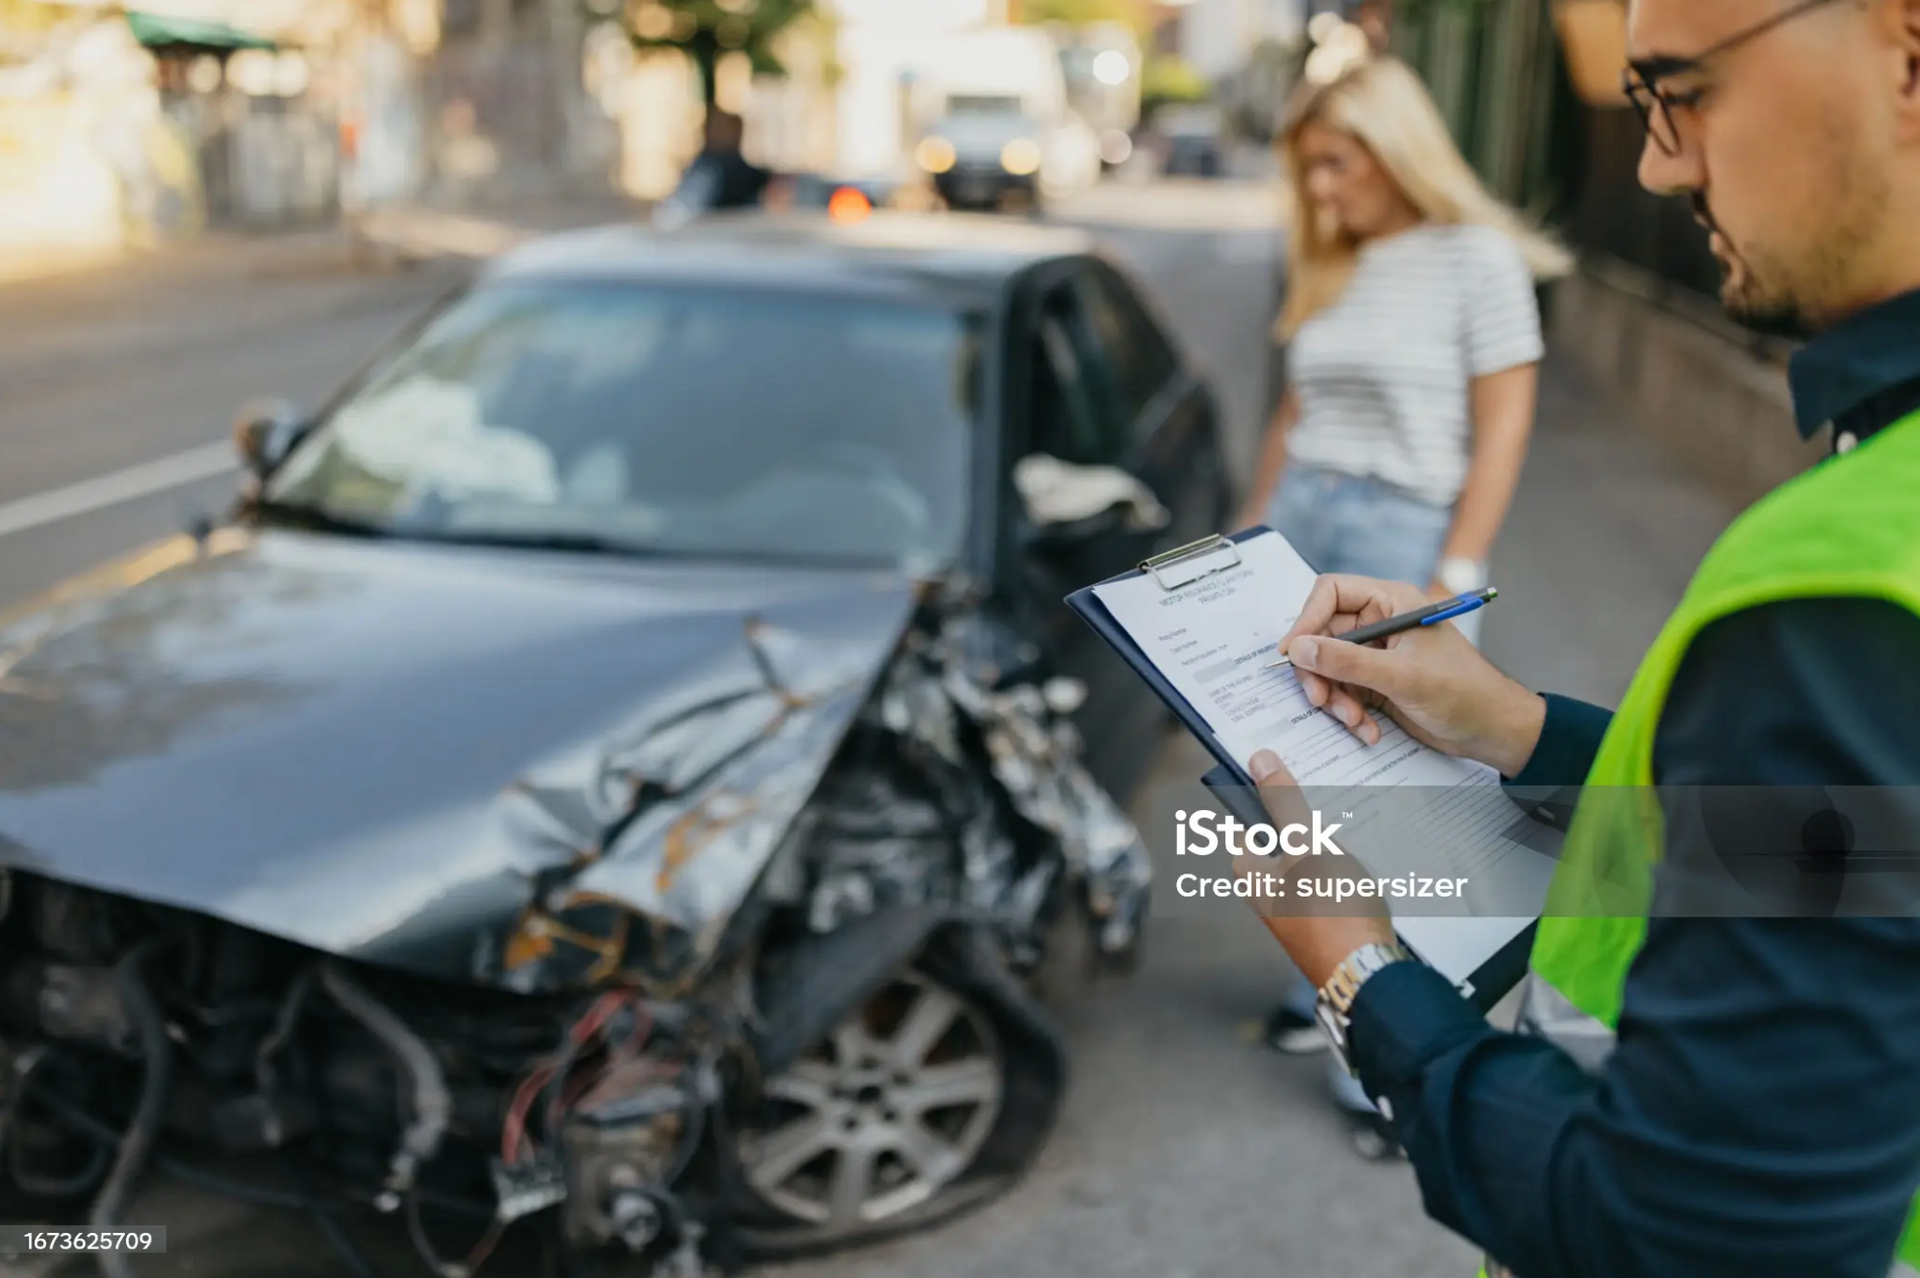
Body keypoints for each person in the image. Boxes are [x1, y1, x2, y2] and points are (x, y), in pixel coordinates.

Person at [1239, 0, 1920, 1273]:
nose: (1658, 161)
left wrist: (1357, 974)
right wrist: (1524, 728)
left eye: (1682, 90)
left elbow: (1688, 1237)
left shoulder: (1845, 586)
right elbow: (1864, 857)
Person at [1238, 53, 1570, 1120]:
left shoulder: (1477, 259)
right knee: (1282, 765)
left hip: (1399, 526)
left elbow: (1506, 422)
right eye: (1309, 172)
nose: (1323, 191)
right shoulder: (1327, 260)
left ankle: (1382, 1035)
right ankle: (1326, 984)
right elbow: (1293, 414)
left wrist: (1457, 571)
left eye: (1336, 164)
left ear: (1395, 147)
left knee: (1385, 783)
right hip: (1304, 518)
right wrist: (1246, 544)